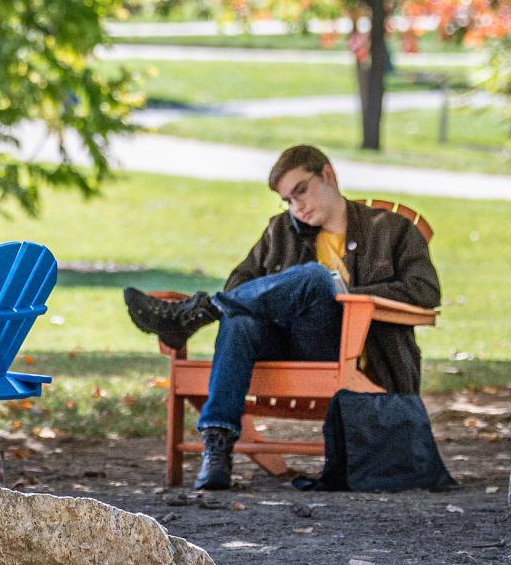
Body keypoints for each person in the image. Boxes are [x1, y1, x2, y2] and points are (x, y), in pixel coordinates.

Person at [124, 145, 441, 490]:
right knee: (240, 320)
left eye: (301, 191)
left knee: (316, 278)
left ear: (328, 175)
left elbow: (424, 291)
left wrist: (349, 294)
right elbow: (240, 285)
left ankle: (198, 314)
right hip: (285, 346)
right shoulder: (282, 232)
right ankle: (217, 446)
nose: (297, 207)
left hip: (353, 352)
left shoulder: (391, 229)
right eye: (288, 200)